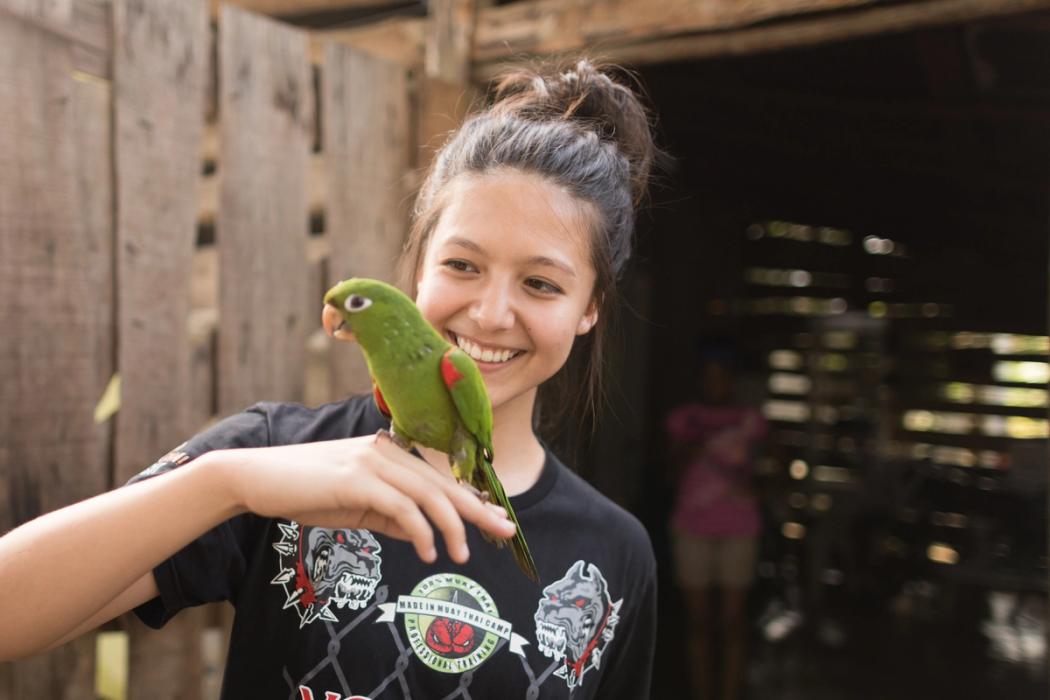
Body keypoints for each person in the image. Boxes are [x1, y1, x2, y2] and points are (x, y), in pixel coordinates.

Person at [0, 58, 659, 699]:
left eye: (541, 283)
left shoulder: (615, 554)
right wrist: (228, 481)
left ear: (590, 308)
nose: (490, 313)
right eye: (462, 265)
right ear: (419, 266)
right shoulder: (276, 458)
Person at [666, 348, 766, 700]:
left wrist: (762, 488)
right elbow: (669, 473)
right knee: (699, 624)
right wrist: (689, 449)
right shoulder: (685, 419)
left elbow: (772, 468)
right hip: (693, 527)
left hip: (740, 526)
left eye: (722, 375)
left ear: (733, 380)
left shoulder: (750, 420)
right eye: (709, 376)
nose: (715, 383)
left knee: (733, 624)